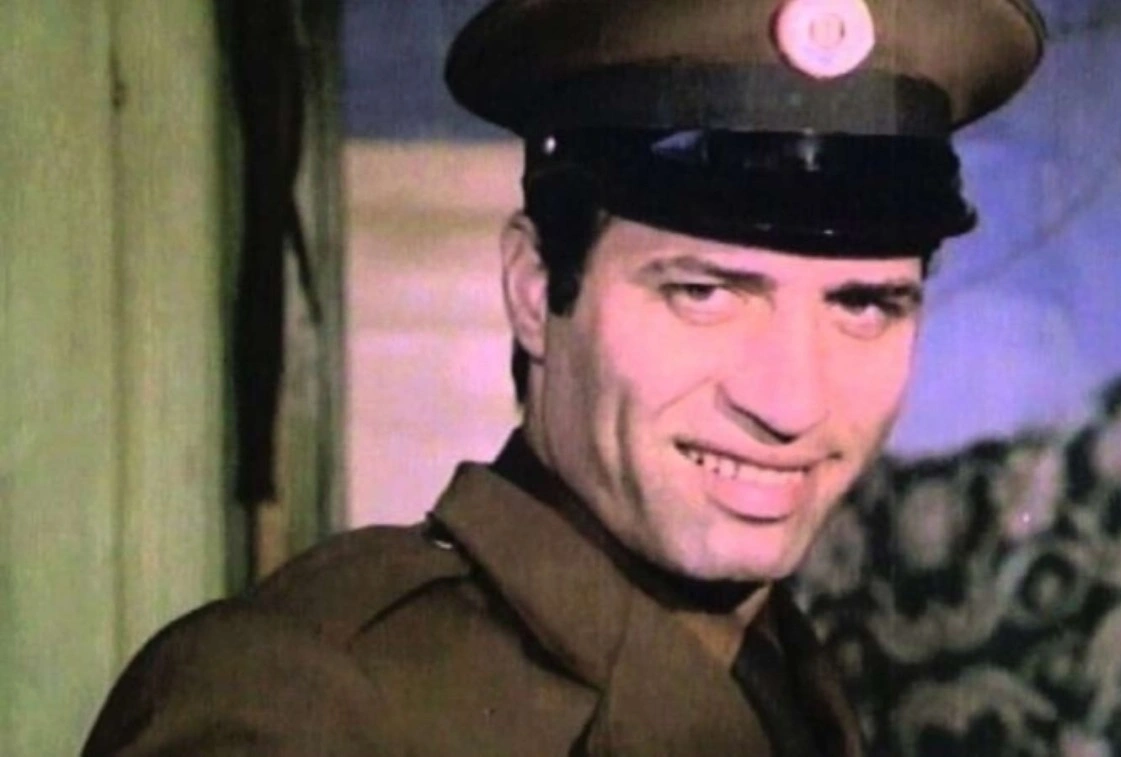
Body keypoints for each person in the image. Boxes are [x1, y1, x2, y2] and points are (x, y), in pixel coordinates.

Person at [83, 0, 1044, 754]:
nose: (790, 401)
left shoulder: (784, 675)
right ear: (537, 286)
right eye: (705, 292)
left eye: (865, 305)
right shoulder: (302, 706)